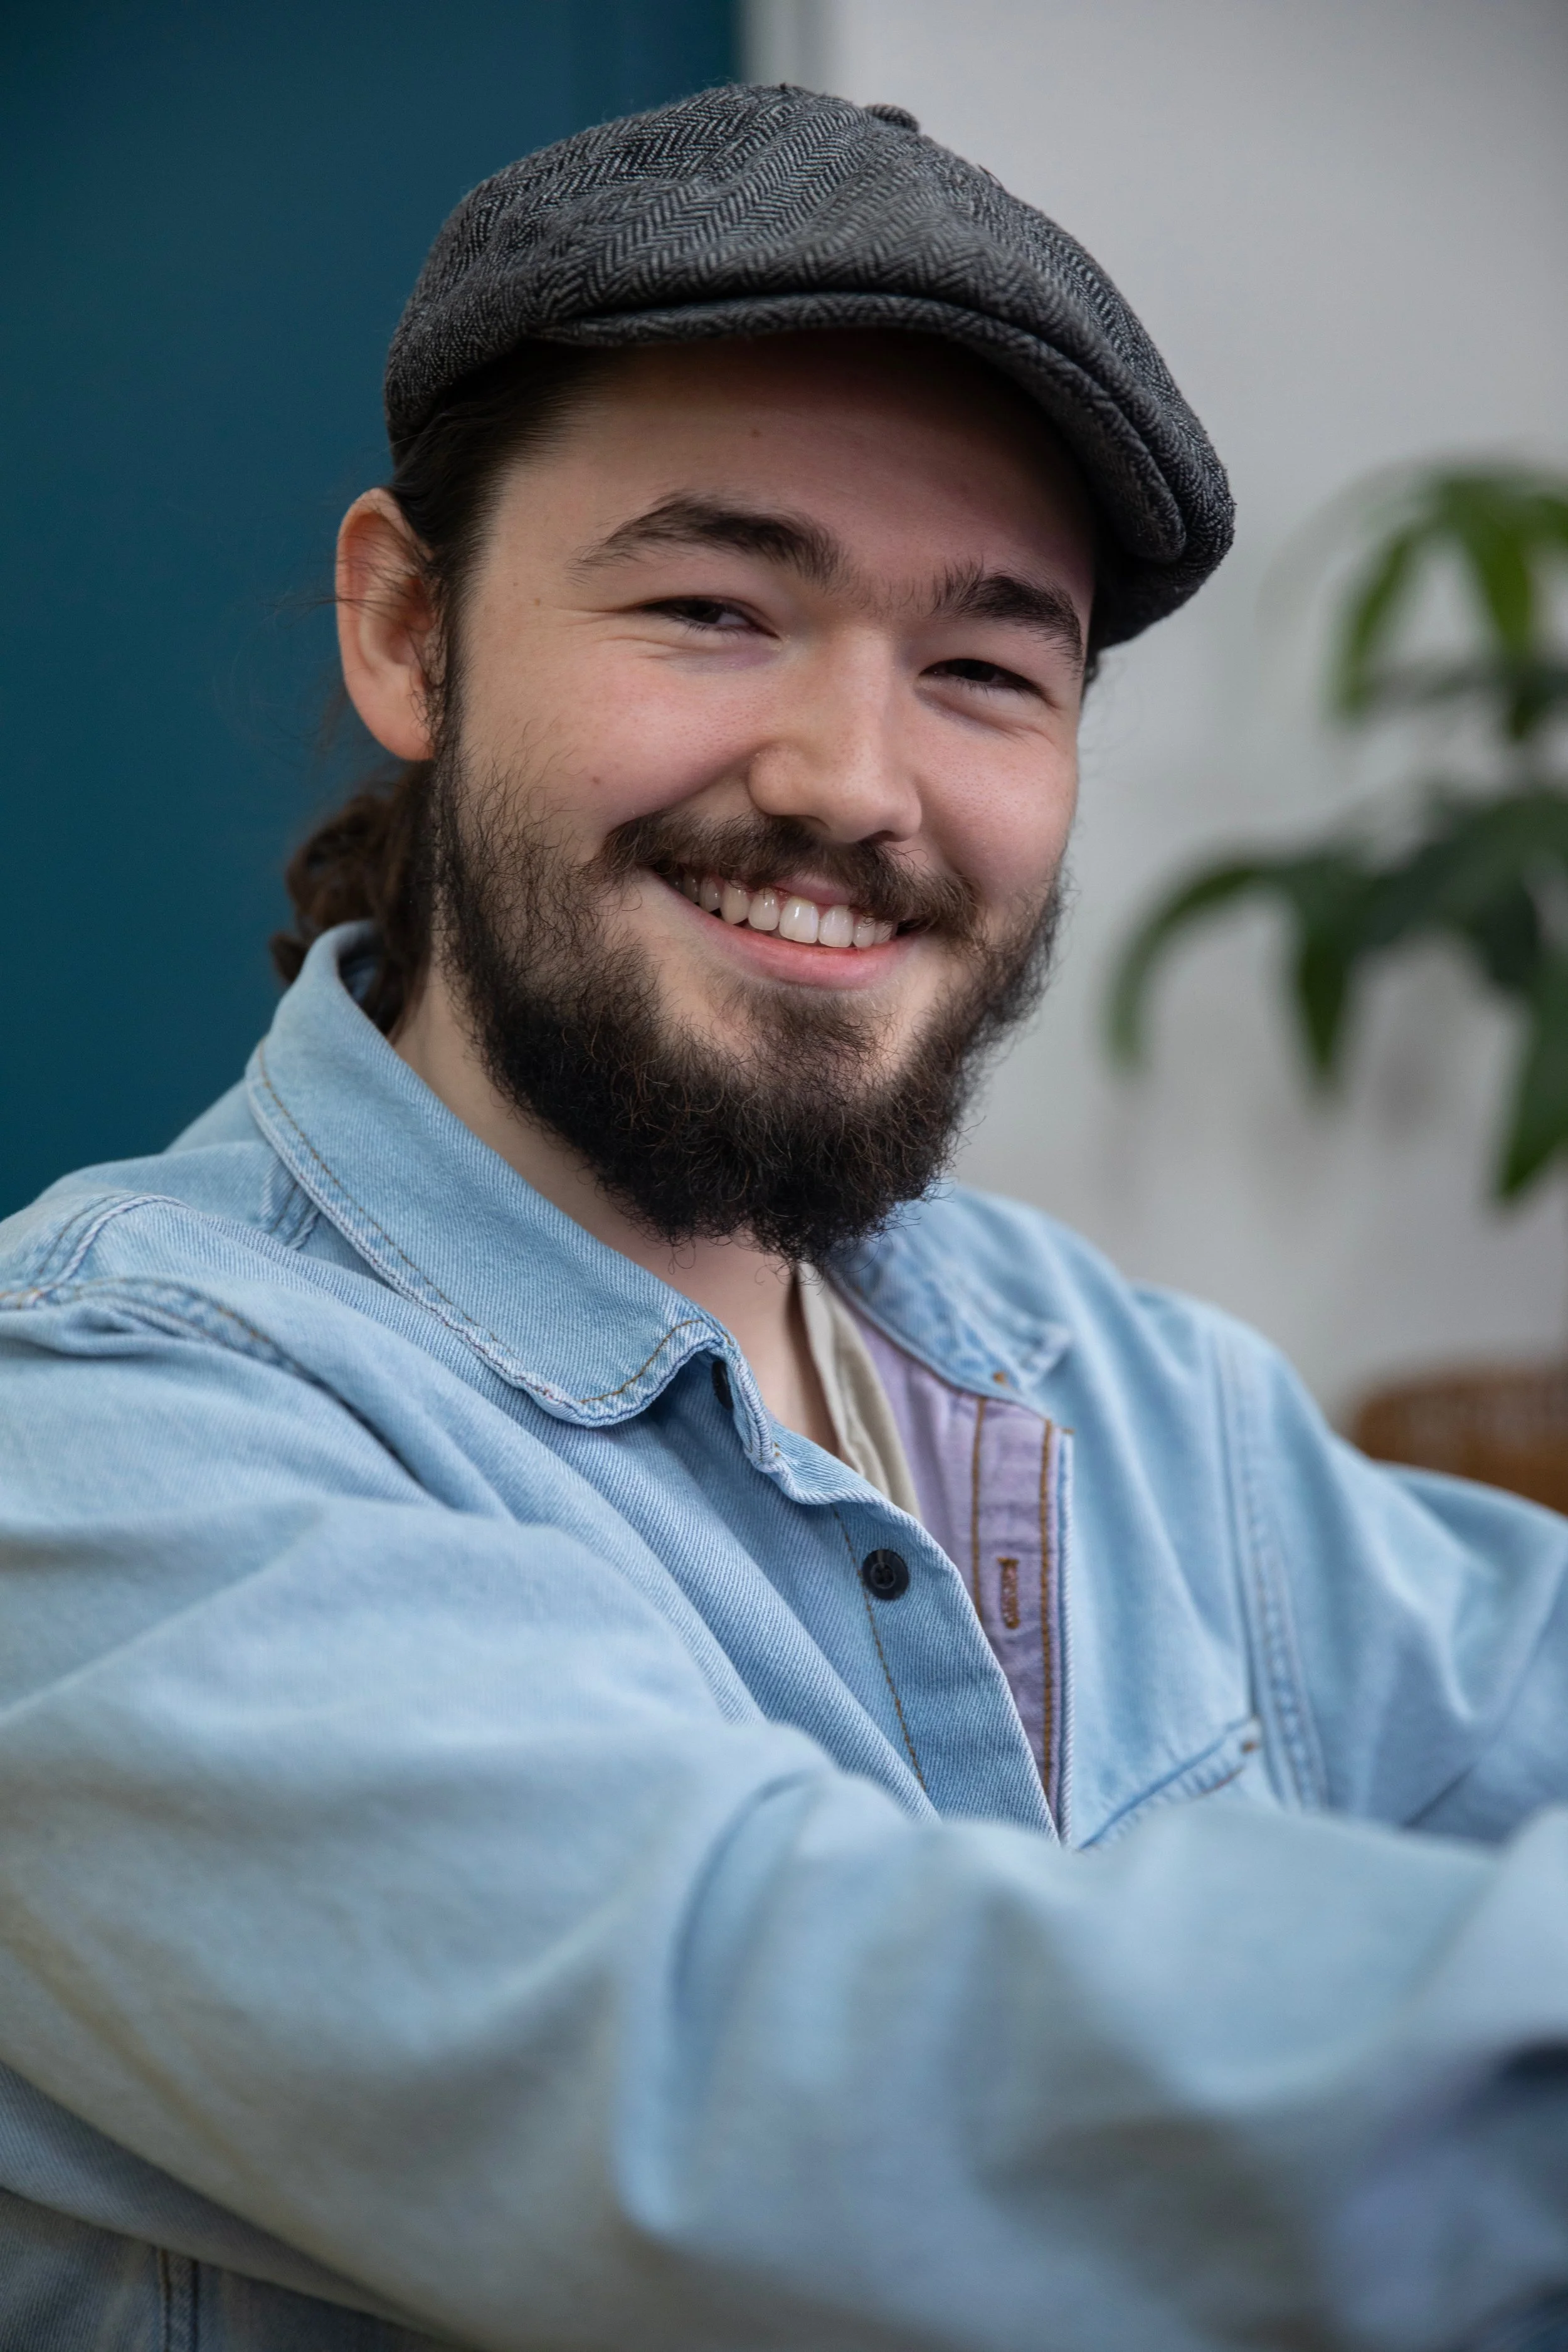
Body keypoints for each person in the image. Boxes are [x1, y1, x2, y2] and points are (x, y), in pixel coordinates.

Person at [1, 82, 1566, 2352]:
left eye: (983, 669)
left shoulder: (1101, 1387)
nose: (852, 779)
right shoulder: (96, 1441)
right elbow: (808, 2077)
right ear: (407, 631)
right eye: (716, 606)